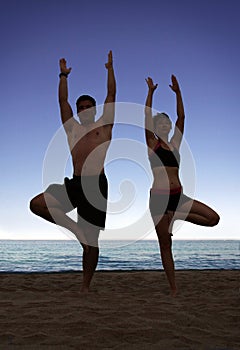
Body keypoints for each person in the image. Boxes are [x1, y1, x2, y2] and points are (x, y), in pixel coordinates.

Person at [30, 51, 116, 292]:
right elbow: (62, 102)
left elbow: (112, 94)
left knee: (91, 243)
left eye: (89, 106)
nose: (85, 109)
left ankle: (85, 286)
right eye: (81, 107)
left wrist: (110, 69)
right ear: (78, 111)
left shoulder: (105, 128)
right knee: (37, 204)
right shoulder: (73, 130)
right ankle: (74, 229)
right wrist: (63, 76)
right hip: (75, 183)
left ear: (95, 109)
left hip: (97, 185)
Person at [145, 75, 219, 296]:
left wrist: (178, 93)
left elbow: (182, 116)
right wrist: (150, 93)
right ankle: (174, 288)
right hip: (158, 200)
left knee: (213, 219)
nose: (165, 124)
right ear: (156, 127)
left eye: (166, 122)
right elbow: (146, 117)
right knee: (165, 245)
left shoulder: (175, 144)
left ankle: (178, 215)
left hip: (178, 197)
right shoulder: (152, 143)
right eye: (160, 123)